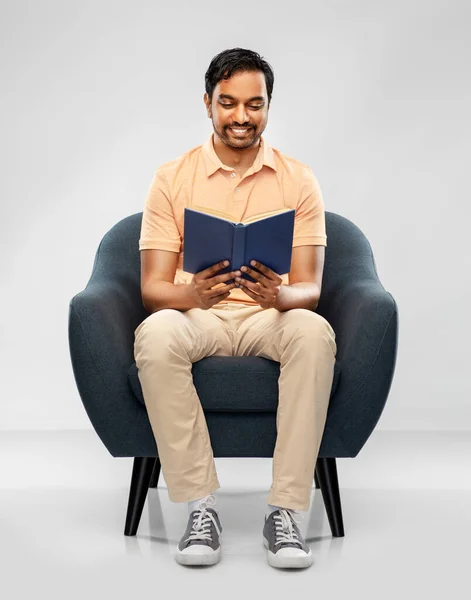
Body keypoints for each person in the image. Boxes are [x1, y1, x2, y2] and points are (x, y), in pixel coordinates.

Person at [134, 47, 337, 569]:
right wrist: (193, 295)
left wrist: (280, 296)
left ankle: (286, 513)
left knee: (313, 333)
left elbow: (309, 288)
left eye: (254, 104)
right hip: (198, 314)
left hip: (269, 317)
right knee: (155, 335)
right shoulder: (171, 178)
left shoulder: (299, 180)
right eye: (228, 103)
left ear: (268, 106)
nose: (241, 117)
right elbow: (154, 287)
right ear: (208, 104)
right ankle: (201, 507)